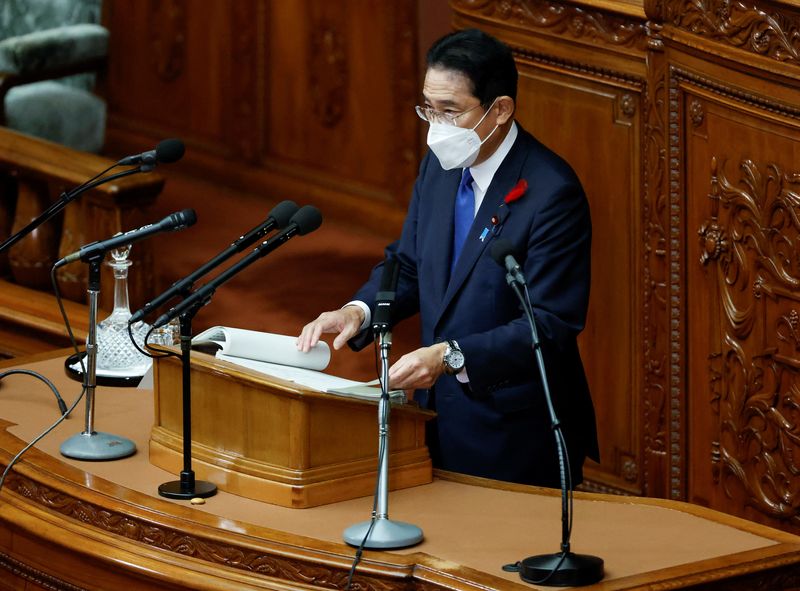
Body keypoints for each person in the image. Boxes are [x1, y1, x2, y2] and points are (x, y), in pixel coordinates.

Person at [298, 28, 598, 487]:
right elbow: (412, 264)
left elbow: (549, 324)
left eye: (450, 111)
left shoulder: (552, 192)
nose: (435, 127)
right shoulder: (440, 167)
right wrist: (356, 311)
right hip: (436, 416)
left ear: (499, 110)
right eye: (428, 109)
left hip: (515, 430)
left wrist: (450, 355)